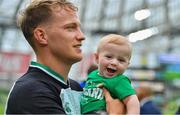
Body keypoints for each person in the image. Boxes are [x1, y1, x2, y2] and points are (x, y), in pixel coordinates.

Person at [5, 0, 125, 114]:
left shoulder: (75, 87)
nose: (81, 36)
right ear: (41, 36)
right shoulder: (30, 91)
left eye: (79, 28)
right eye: (70, 28)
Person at [80, 34, 140, 114]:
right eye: (109, 57)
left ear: (127, 65)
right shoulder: (92, 75)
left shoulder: (119, 80)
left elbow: (132, 100)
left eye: (121, 60)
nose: (114, 62)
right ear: (97, 58)